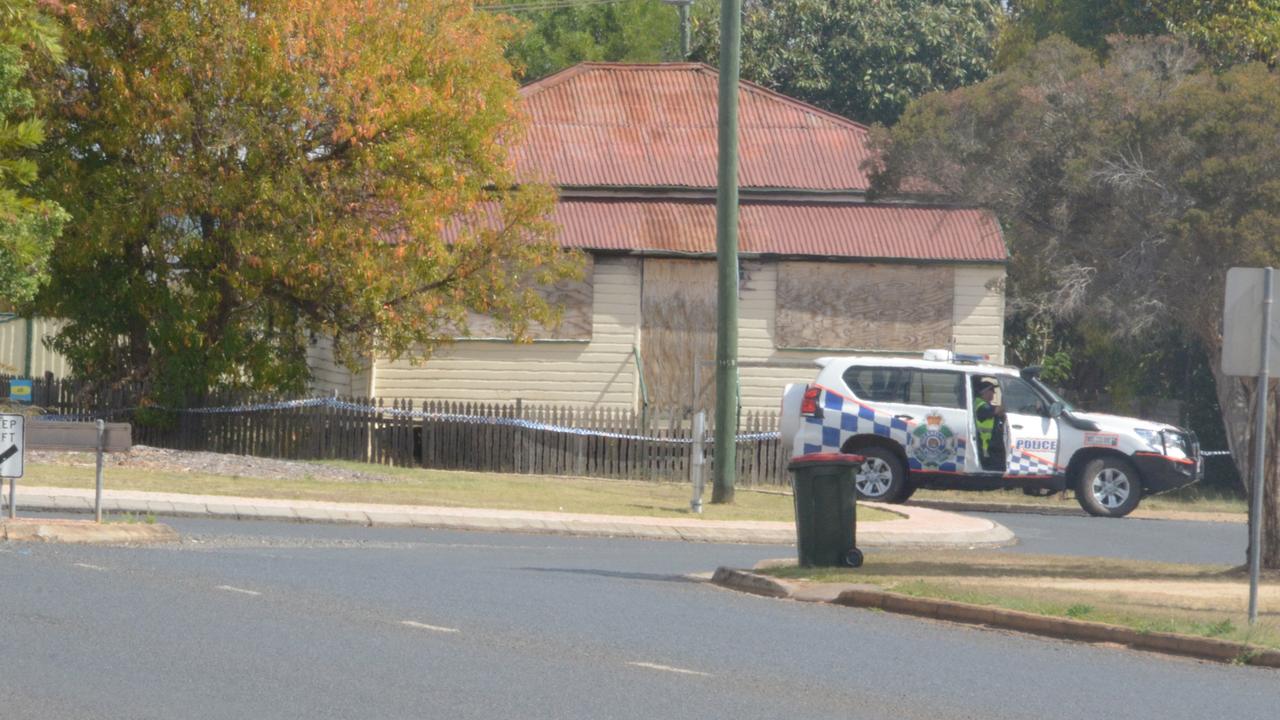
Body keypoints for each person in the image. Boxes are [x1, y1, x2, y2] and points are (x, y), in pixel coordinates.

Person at [974, 379, 1005, 469]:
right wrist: (1007, 400)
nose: (994, 393)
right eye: (992, 391)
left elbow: (998, 412)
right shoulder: (981, 405)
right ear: (985, 392)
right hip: (985, 447)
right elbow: (996, 410)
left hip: (988, 446)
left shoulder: (984, 404)